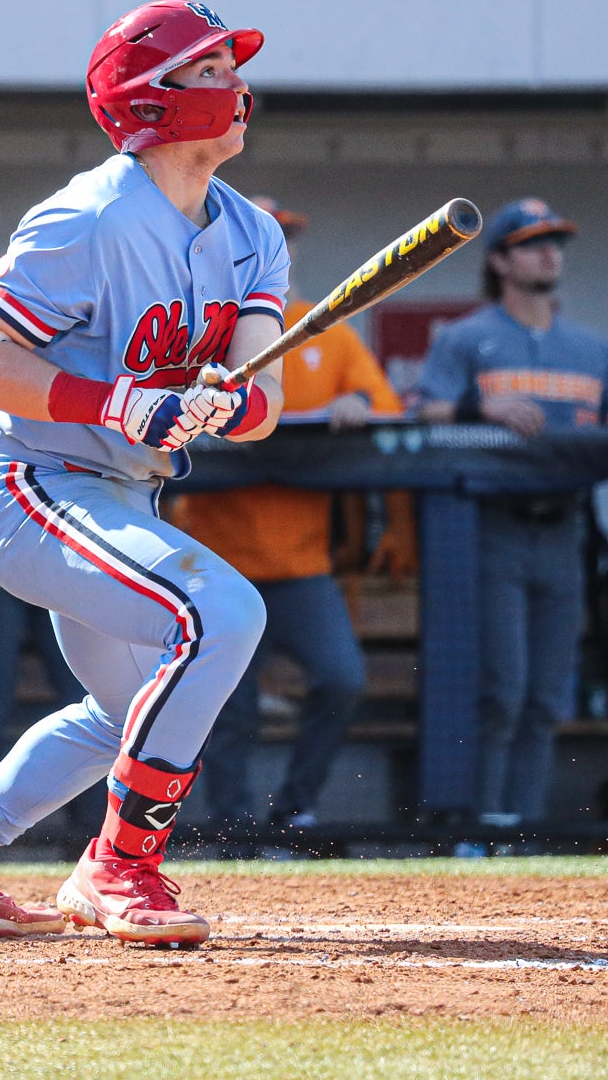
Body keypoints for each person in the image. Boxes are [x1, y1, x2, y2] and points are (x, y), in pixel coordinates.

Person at [0, 0, 288, 946]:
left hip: (119, 492)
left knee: (124, 711)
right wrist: (125, 400)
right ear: (153, 98)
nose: (238, 85)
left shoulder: (253, 233)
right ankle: (119, 866)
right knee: (223, 613)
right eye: (211, 68)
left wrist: (230, 399)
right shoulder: (89, 215)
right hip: (32, 484)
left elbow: (267, 395)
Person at [415, 196, 608, 836]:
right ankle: (483, 825)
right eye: (532, 242)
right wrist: (480, 408)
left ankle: (522, 826)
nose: (550, 252)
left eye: (555, 242)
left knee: (549, 694)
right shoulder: (470, 337)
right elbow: (424, 411)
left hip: (565, 528)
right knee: (503, 690)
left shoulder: (590, 347)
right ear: (498, 260)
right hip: (495, 525)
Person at [171, 196, 411, 838]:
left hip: (302, 560)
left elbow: (384, 404)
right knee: (230, 705)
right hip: (217, 556)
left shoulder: (325, 328)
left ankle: (295, 806)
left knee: (342, 679)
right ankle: (232, 824)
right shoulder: (200, 325)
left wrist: (358, 402)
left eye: (285, 236)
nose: (278, 246)